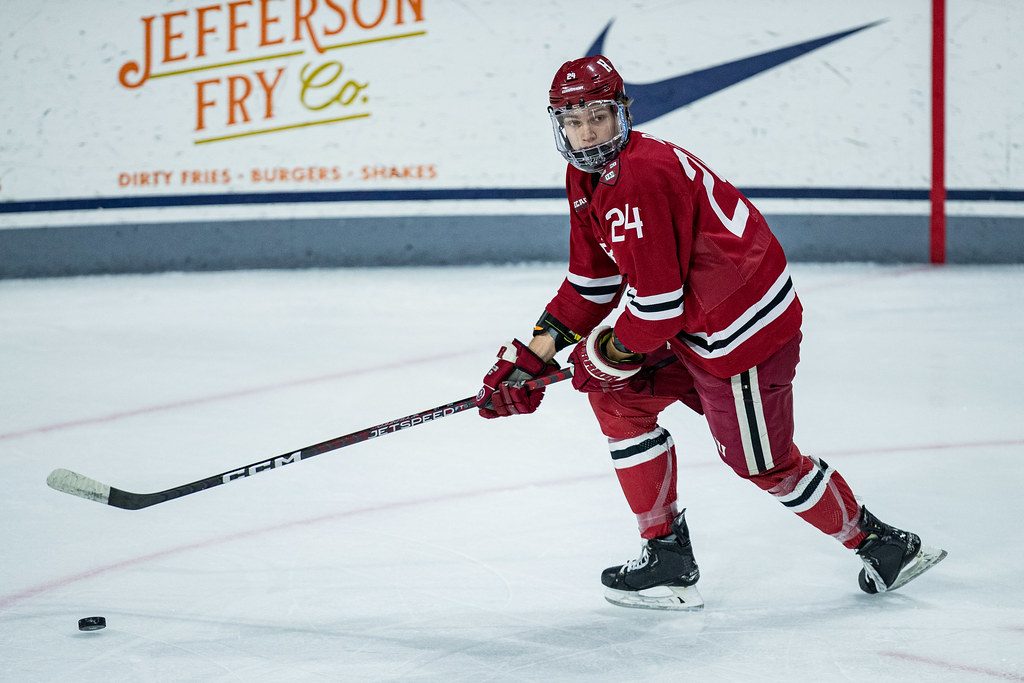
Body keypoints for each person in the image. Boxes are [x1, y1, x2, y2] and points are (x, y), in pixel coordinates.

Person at [475, 55, 947, 611]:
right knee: (614, 395)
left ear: (622, 114)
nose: (586, 133)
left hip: (738, 336)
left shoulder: (642, 175)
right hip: (695, 325)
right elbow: (591, 280)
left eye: (597, 117)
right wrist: (534, 355)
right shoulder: (585, 175)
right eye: (573, 121)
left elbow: (655, 309)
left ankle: (885, 547)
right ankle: (667, 558)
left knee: (762, 463)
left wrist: (599, 356)